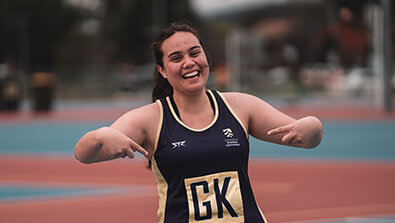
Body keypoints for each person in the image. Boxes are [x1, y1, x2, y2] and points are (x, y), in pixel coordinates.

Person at [74, 21, 323, 223]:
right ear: (162, 70)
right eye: (176, 58)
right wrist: (100, 136)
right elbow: (83, 153)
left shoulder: (240, 106)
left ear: (206, 57)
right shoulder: (150, 119)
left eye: (195, 53)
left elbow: (308, 138)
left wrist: (313, 127)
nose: (189, 63)